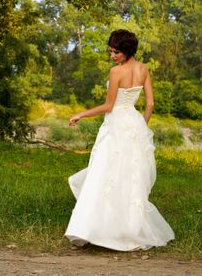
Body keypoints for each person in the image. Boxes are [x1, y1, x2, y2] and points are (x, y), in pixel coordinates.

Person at [65, 29, 175, 251]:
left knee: (104, 172)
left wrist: (81, 114)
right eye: (110, 52)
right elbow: (151, 104)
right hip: (134, 123)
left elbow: (108, 106)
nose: (112, 56)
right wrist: (142, 127)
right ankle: (128, 230)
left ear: (126, 50)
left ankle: (96, 230)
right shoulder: (143, 69)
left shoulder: (116, 72)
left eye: (116, 52)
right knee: (129, 177)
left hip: (115, 124)